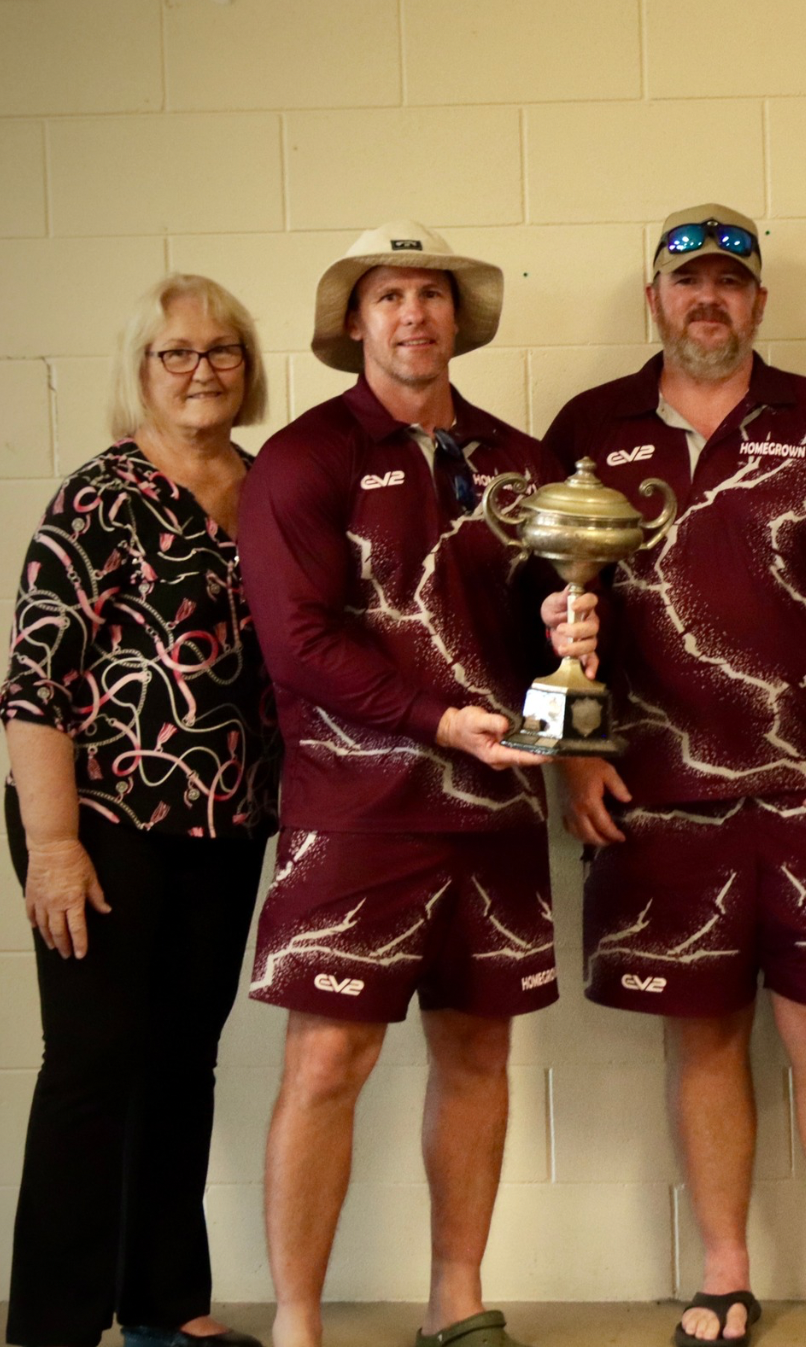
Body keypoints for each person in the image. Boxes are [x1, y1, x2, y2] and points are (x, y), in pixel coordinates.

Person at [539, 205, 806, 1347]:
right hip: (654, 798)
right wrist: (579, 756)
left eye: (730, 284)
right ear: (652, 298)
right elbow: (544, 615)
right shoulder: (588, 428)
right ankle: (723, 1271)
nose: (709, 300)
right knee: (699, 1038)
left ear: (759, 302)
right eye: (687, 281)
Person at [237, 222, 562, 1347]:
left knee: (477, 1051)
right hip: (357, 811)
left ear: (459, 319)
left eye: (431, 294)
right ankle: (296, 1324)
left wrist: (563, 629)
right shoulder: (302, 458)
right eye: (389, 297)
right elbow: (298, 645)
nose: (414, 314)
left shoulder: (519, 459)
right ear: (354, 325)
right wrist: (439, 719)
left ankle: (456, 1299)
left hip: (497, 807)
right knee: (329, 1059)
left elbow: (530, 622)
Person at [3, 275, 281, 1347]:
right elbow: (35, 681)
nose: (201, 370)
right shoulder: (100, 495)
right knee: (89, 1066)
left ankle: (165, 1310)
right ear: (142, 370)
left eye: (221, 351)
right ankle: (54, 1329)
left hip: (223, 824)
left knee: (182, 1063)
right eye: (177, 353)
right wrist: (54, 844)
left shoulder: (268, 488)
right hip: (100, 820)